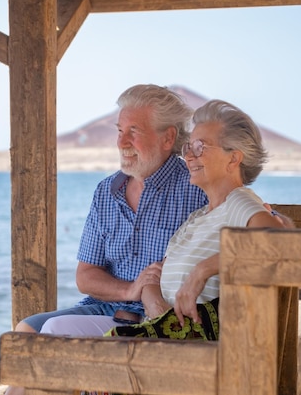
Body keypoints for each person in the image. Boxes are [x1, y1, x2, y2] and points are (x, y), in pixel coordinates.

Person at [41, 99, 288, 340]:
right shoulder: (198, 217)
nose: (189, 156)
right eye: (188, 147)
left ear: (233, 158)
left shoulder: (238, 202)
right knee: (48, 337)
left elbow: (279, 245)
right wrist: (154, 301)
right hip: (160, 334)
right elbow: (155, 274)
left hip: (189, 347)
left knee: (53, 337)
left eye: (200, 147)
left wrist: (202, 271)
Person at [12, 84, 208, 336]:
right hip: (103, 308)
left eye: (133, 131)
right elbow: (86, 276)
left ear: (168, 138)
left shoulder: (196, 188)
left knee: (53, 331)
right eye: (119, 131)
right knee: (24, 331)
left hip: (160, 317)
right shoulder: (106, 191)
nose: (122, 142)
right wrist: (129, 290)